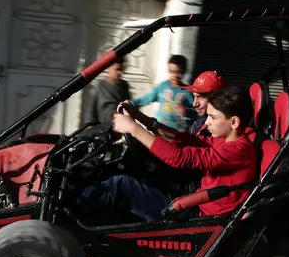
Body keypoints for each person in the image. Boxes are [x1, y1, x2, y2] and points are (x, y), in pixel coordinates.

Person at [78, 86, 258, 221]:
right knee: (137, 171)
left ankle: (78, 213)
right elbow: (180, 139)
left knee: (122, 185)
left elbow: (180, 159)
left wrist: (133, 129)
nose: (207, 122)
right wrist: (141, 119)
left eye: (213, 117)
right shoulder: (225, 139)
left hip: (202, 215)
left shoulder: (238, 150)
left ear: (234, 122)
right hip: (197, 198)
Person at [129, 54, 197, 132]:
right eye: (171, 72)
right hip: (159, 128)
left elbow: (196, 111)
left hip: (176, 133)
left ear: (184, 71)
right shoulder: (162, 87)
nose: (175, 75)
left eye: (178, 72)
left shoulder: (187, 91)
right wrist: (131, 103)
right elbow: (147, 98)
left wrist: (187, 111)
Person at [84, 57, 130, 126]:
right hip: (102, 129)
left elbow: (129, 106)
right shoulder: (100, 86)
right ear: (108, 68)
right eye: (118, 69)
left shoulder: (124, 86)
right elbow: (91, 110)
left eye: (122, 70)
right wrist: (90, 126)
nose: (120, 73)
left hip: (119, 128)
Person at [182, 70, 228, 135]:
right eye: (194, 96)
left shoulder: (220, 132)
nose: (194, 104)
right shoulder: (199, 122)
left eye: (200, 97)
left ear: (217, 98)